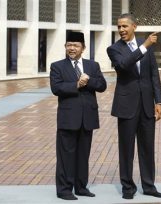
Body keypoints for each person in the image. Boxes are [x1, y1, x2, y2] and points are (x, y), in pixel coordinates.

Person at [106, 13, 161, 200]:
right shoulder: (114, 49)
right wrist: (145, 46)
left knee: (147, 147)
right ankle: (128, 188)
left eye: (125, 26)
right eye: (119, 27)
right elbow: (123, 65)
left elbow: (153, 74)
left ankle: (149, 186)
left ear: (134, 26)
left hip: (147, 105)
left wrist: (159, 101)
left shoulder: (143, 44)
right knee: (126, 149)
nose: (121, 30)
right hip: (126, 105)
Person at [50, 31, 107, 200]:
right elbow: (56, 88)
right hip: (68, 119)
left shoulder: (92, 66)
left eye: (76, 45)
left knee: (83, 155)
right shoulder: (57, 66)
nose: (72, 48)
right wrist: (76, 84)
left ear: (83, 48)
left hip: (87, 118)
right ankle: (64, 190)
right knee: (65, 155)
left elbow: (102, 85)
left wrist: (88, 81)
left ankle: (81, 187)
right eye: (69, 45)